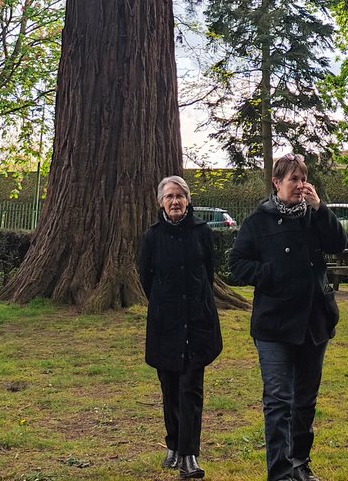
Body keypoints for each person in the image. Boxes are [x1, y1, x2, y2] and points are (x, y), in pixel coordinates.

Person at [229, 153, 346, 481]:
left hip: (314, 323)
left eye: (302, 178)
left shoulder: (314, 217)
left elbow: (338, 243)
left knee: (305, 401)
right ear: (276, 182)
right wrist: (272, 273)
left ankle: (299, 464)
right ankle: (280, 473)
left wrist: (321, 210)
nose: (299, 185)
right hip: (274, 325)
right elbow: (237, 264)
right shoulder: (257, 222)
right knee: (279, 399)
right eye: (292, 179)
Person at [139, 175, 223, 480]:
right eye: (169, 196)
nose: (175, 202)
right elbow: (145, 277)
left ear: (188, 200)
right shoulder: (152, 236)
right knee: (170, 389)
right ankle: (173, 444)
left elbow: (209, 272)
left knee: (191, 389)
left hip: (197, 324)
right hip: (165, 324)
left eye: (180, 196)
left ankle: (190, 454)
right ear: (161, 202)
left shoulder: (201, 232)